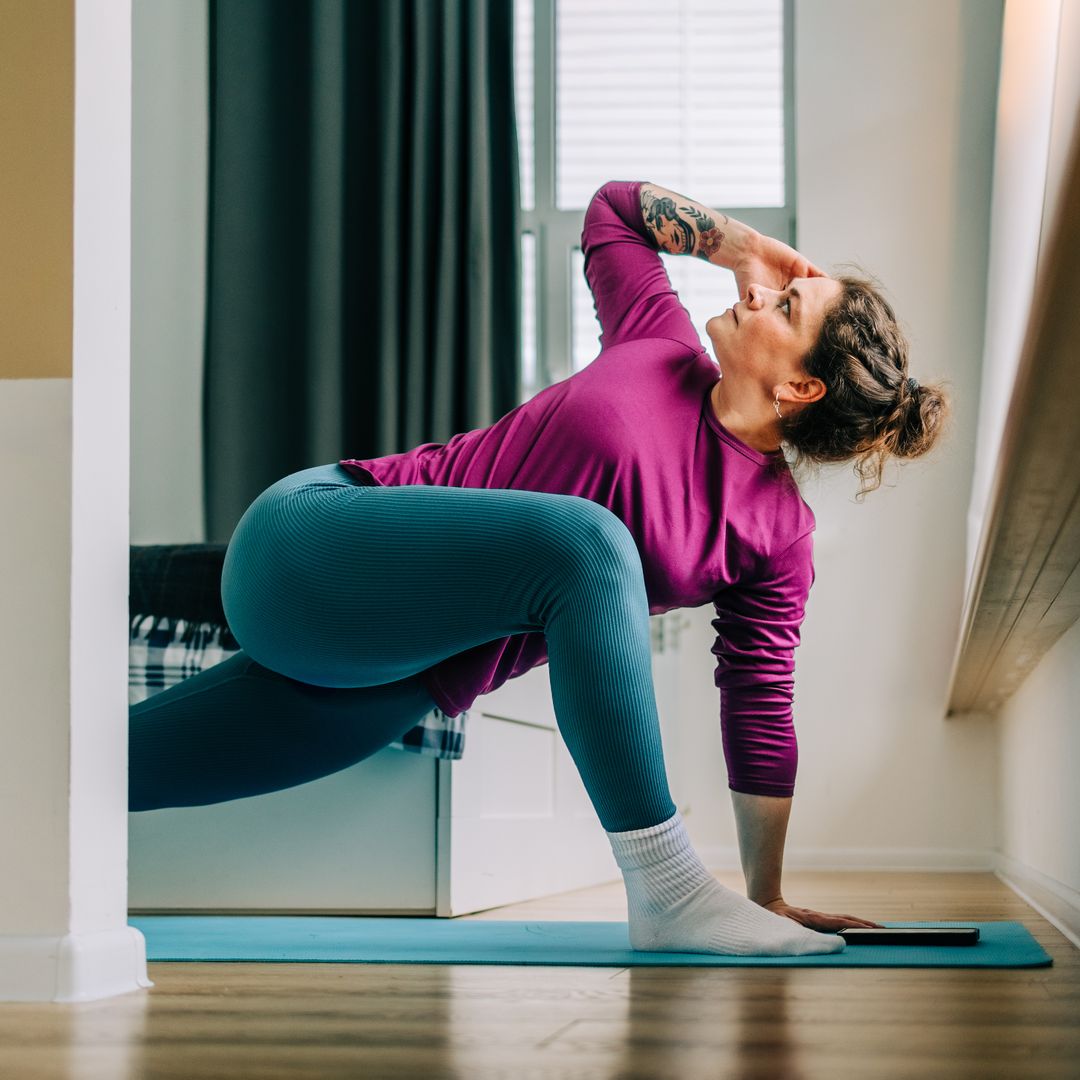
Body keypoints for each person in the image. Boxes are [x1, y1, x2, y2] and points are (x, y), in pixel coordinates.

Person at [129, 180, 950, 957]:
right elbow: (614, 210)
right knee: (592, 543)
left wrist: (764, 897)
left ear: (802, 385)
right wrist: (741, 245)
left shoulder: (776, 532)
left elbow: (760, 699)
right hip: (314, 540)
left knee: (105, 774)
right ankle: (665, 891)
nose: (757, 294)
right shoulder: (657, 341)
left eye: (785, 305)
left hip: (382, 682)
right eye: (771, 286)